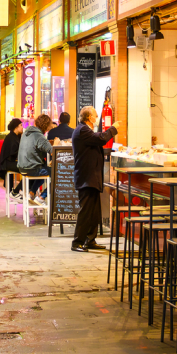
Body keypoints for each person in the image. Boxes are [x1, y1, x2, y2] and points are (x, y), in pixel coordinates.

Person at [72, 106, 119, 252]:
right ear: (88, 117)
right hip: (86, 177)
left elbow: (95, 143)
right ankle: (77, 242)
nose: (97, 117)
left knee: (94, 212)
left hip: (91, 177)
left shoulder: (86, 130)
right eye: (95, 115)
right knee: (86, 211)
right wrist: (113, 128)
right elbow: (101, 139)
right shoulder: (82, 130)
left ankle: (90, 240)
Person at [18, 114, 54, 205]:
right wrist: (56, 143)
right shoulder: (39, 136)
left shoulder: (26, 133)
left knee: (45, 167)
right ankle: (41, 197)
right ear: (46, 125)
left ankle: (32, 192)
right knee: (57, 174)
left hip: (22, 167)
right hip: (32, 168)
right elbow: (53, 151)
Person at [0, 118, 24, 191]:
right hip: (8, 163)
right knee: (28, 170)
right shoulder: (11, 138)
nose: (22, 127)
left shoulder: (14, 136)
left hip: (9, 162)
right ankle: (16, 191)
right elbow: (13, 153)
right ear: (16, 127)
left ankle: (16, 191)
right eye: (21, 125)